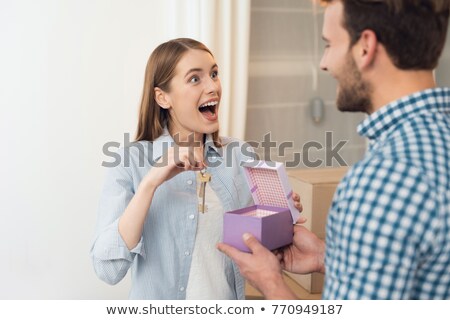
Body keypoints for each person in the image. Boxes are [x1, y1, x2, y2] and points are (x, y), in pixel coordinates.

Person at [218, 0, 450, 299]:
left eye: (329, 44)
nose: (324, 63)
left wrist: (270, 282)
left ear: (365, 46)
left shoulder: (382, 181)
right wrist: (327, 258)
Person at [90, 37, 303, 299]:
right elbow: (107, 270)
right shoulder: (130, 162)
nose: (213, 86)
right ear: (163, 97)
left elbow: (260, 249)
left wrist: (282, 217)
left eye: (214, 74)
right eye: (195, 79)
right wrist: (151, 183)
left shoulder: (239, 155)